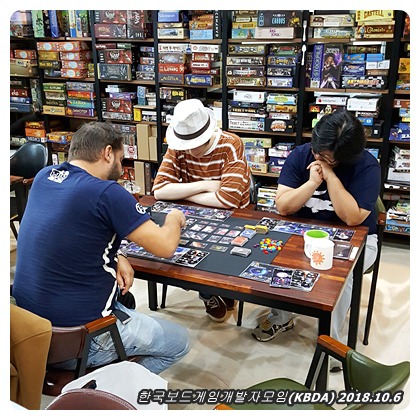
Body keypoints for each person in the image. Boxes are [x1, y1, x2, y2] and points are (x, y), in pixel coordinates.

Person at [12, 121, 189, 375]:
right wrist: (174, 217)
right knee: (180, 342)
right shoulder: (107, 192)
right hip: (79, 340)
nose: (121, 167)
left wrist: (118, 255)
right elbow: (165, 246)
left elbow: (70, 233)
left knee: (126, 300)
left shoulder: (44, 177)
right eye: (121, 158)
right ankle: (113, 388)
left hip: (29, 332)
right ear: (107, 153)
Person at [252, 111, 380, 359]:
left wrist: (330, 176)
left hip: (356, 238)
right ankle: (281, 318)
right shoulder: (301, 155)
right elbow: (283, 206)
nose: (317, 158)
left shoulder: (367, 166)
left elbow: (352, 218)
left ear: (344, 157)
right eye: (316, 151)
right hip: (304, 231)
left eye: (326, 157)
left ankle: (333, 342)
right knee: (274, 253)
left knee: (343, 276)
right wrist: (311, 183)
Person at [153, 98, 251, 322]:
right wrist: (205, 185)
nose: (189, 149)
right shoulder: (179, 145)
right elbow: (159, 191)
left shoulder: (231, 144)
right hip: (194, 216)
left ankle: (220, 288)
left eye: (194, 144)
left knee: (223, 251)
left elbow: (228, 199)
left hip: (234, 217)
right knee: (178, 247)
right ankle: (208, 292)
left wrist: (182, 192)